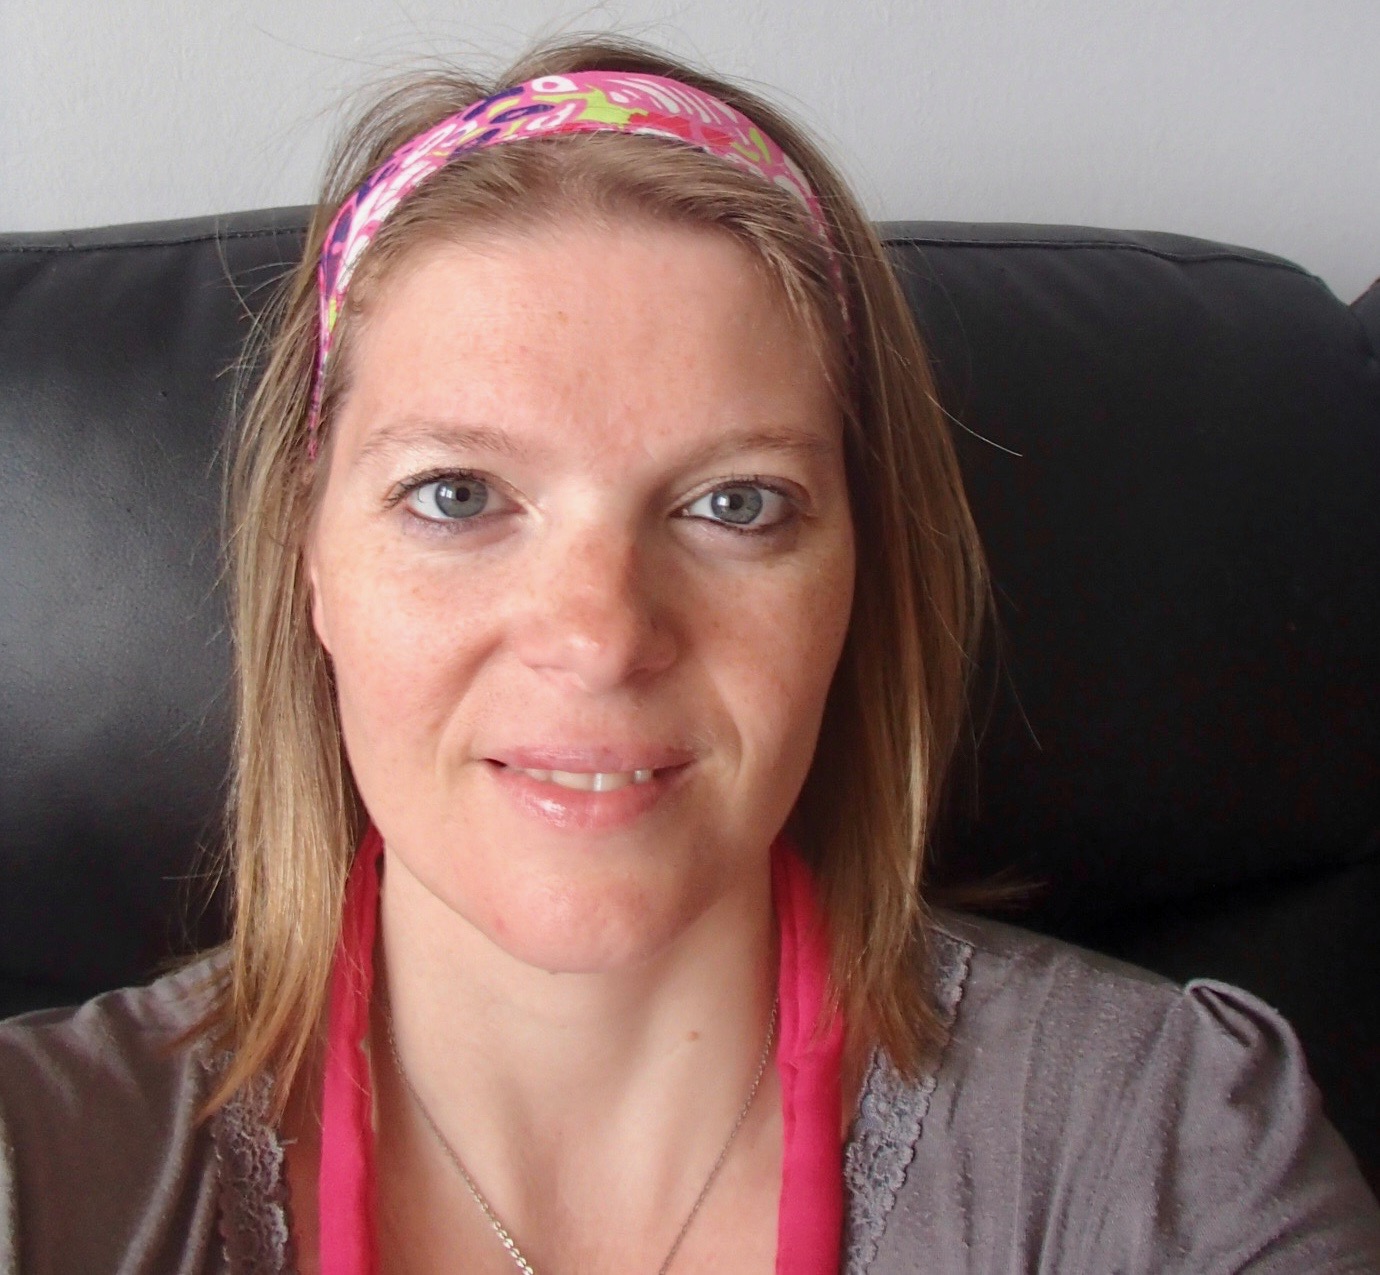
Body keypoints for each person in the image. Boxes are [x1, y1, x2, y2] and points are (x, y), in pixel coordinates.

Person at [2, 35, 1379, 1275]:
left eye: (735, 505)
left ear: (858, 581)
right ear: (309, 559)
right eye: (457, 495)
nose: (601, 638)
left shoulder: (1165, 1155)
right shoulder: (44, 1169)